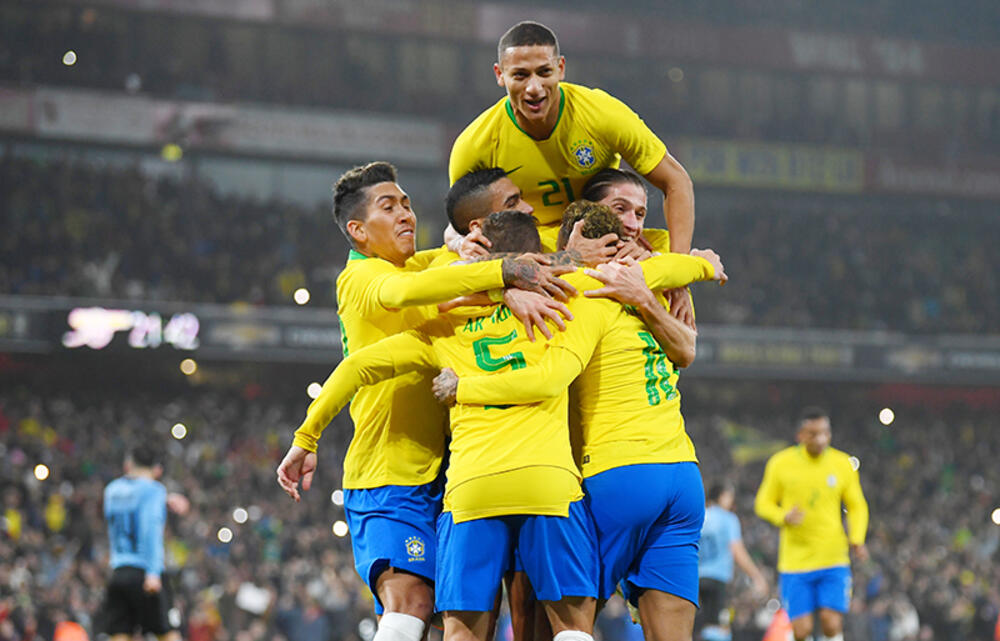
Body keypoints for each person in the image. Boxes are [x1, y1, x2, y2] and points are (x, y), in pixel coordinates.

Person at [275, 162, 573, 641]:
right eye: (388, 207)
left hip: (449, 472)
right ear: (358, 230)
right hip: (389, 471)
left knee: (464, 616)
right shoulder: (362, 278)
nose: (405, 214)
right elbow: (405, 293)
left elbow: (462, 264)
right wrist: (306, 438)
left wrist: (481, 262)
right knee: (412, 600)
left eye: (408, 203)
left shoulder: (424, 263)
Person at [434, 202, 727, 641]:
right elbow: (685, 289)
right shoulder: (651, 281)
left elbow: (547, 373)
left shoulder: (582, 293)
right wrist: (702, 265)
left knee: (564, 620)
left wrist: (465, 386)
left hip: (619, 472)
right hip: (683, 478)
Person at [448, 20, 697, 323]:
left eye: (544, 72)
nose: (534, 88)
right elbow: (460, 222)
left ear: (561, 68)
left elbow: (676, 181)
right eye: (520, 75)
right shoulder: (475, 145)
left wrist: (680, 276)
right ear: (500, 75)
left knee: (680, 342)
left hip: (608, 252)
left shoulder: (602, 114)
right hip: (531, 263)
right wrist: (463, 244)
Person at [754, 407, 870, 641]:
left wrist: (857, 538)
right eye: (813, 433)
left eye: (825, 432)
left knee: (831, 621)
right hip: (795, 562)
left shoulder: (842, 463)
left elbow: (857, 505)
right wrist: (783, 516)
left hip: (833, 558)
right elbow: (762, 503)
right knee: (801, 630)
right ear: (801, 435)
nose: (820, 439)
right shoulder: (781, 463)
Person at [101, 445, 179, 641]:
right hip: (145, 570)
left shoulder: (112, 490)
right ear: (157, 469)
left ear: (128, 465)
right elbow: (149, 530)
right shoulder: (154, 490)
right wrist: (153, 572)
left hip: (119, 570)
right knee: (167, 632)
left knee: (120, 632)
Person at [696, 483, 768, 641]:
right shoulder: (728, 519)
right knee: (719, 629)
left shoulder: (699, 516)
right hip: (717, 578)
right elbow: (737, 550)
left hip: (696, 579)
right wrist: (756, 576)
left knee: (698, 626)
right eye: (729, 496)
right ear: (721, 496)